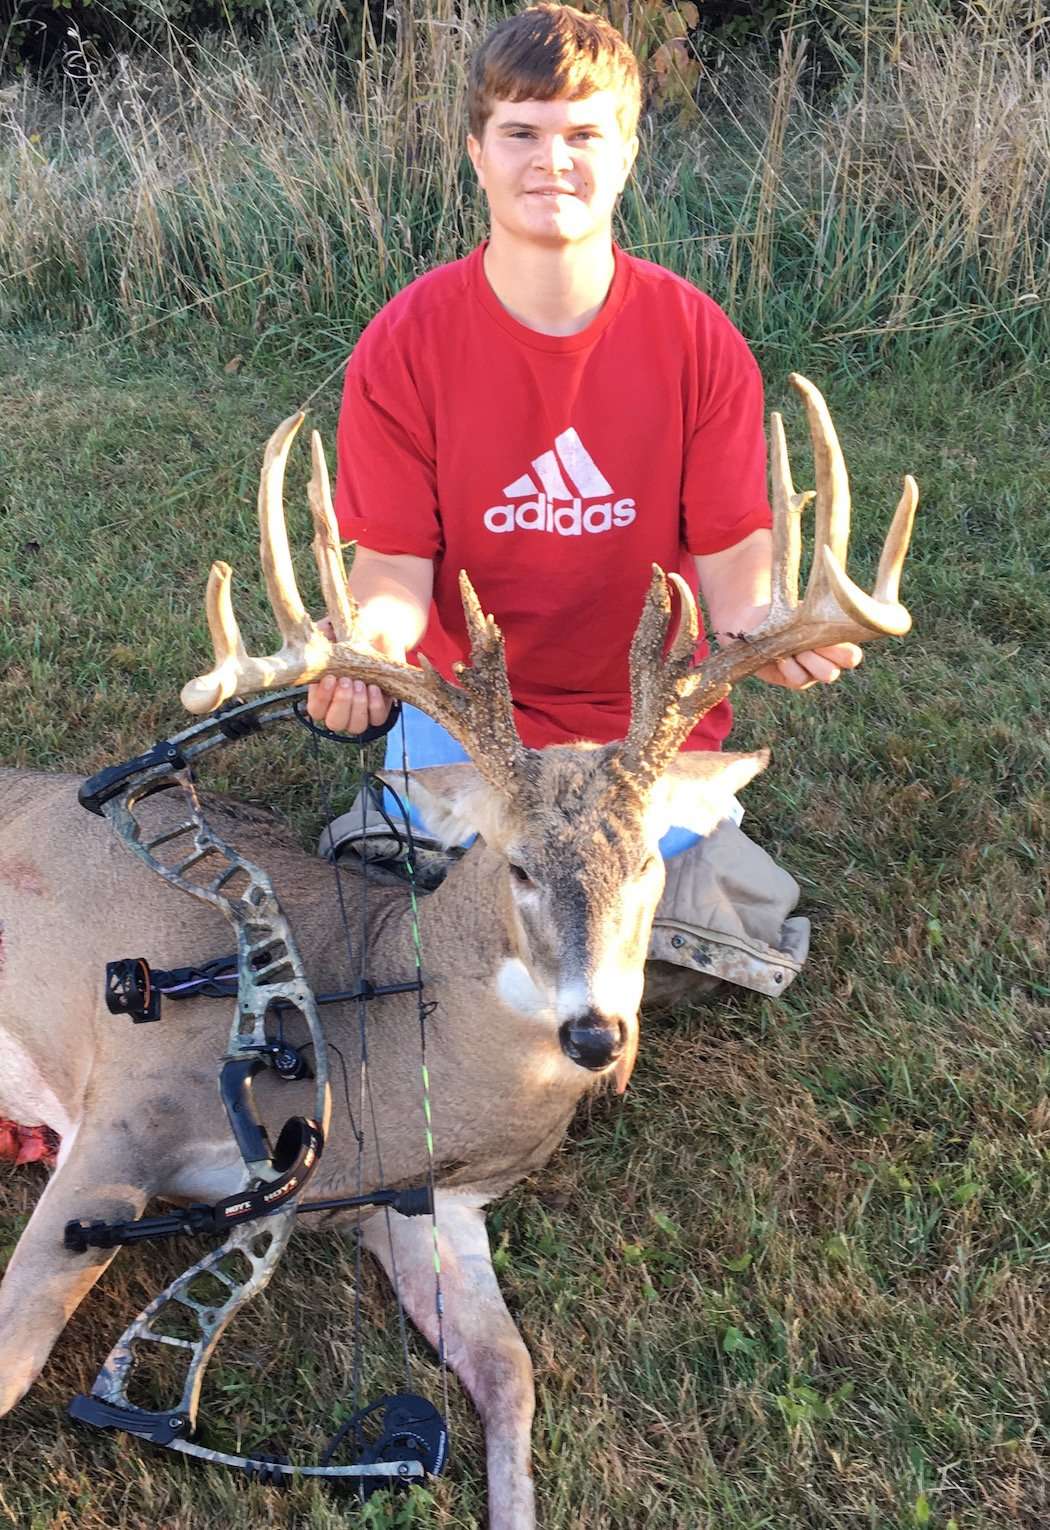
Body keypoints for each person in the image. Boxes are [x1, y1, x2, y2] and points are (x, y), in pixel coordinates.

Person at [307, 2, 861, 999]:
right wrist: (369, 647)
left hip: (644, 733)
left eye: (583, 135)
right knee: (398, 899)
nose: (550, 162)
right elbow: (391, 568)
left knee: (660, 915)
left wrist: (770, 630)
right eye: (520, 132)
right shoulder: (407, 343)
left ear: (628, 152)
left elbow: (737, 570)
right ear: (477, 152)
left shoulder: (697, 343)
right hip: (475, 725)